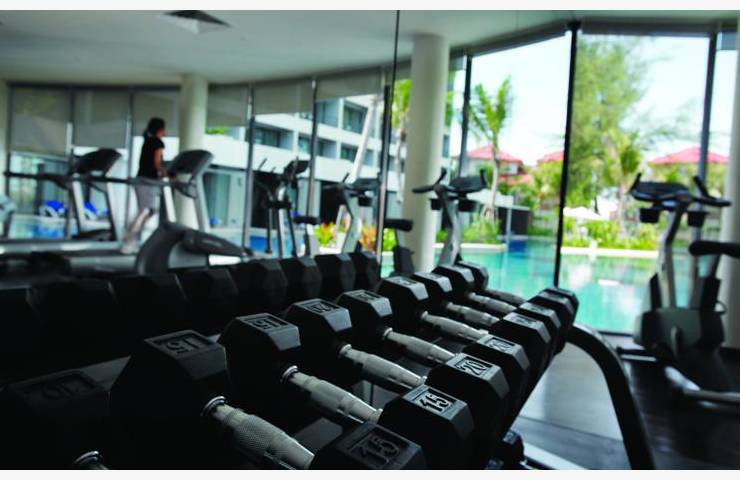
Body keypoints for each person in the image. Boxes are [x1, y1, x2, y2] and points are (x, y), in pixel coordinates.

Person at [120, 117, 167, 254]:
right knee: (145, 211)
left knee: (150, 210)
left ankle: (131, 237)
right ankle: (128, 239)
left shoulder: (147, 141)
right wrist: (167, 173)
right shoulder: (158, 142)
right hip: (147, 181)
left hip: (142, 180)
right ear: (161, 129)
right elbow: (157, 164)